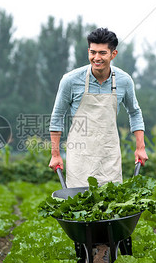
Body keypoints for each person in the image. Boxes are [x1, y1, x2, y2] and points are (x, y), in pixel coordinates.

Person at [48, 28, 148, 187]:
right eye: (93, 52)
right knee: (80, 205)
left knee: (111, 207)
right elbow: (57, 116)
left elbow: (135, 112)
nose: (96, 58)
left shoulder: (124, 81)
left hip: (109, 155)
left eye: (102, 53)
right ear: (88, 51)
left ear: (113, 54)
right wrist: (55, 154)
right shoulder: (70, 80)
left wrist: (140, 147)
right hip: (79, 157)